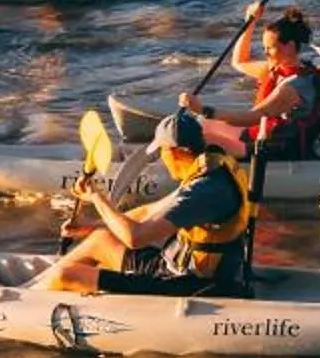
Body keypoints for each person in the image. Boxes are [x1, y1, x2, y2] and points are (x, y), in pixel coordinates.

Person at [31, 109, 255, 296]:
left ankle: (33, 302)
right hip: (172, 266)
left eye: (162, 153)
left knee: (66, 275)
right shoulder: (208, 170)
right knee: (100, 238)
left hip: (190, 283)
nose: (162, 159)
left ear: (178, 152)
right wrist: (93, 225)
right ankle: (36, 290)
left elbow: (135, 238)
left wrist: (96, 196)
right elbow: (150, 210)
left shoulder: (204, 190)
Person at [180, 8, 320, 160]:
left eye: (270, 48)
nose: (265, 52)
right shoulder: (279, 68)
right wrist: (250, 22)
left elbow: (252, 117)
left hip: (279, 147)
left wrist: (203, 110)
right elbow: (239, 62)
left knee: (207, 137)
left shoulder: (293, 87)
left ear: (289, 46)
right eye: (264, 47)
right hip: (262, 134)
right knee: (200, 125)